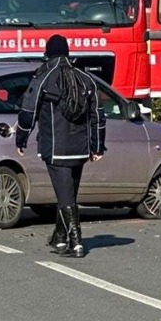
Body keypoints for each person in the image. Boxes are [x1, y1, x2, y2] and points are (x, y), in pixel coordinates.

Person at [15, 35, 105, 258]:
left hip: (55, 147)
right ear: (67, 51)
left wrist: (21, 138)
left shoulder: (44, 77)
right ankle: (60, 237)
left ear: (48, 53)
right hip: (81, 147)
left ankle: (76, 242)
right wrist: (97, 147)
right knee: (68, 193)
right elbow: (98, 116)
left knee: (64, 196)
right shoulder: (86, 79)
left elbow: (29, 111)